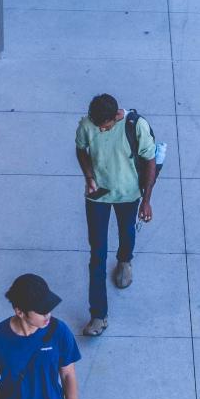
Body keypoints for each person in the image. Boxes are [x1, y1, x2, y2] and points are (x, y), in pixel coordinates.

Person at [73, 94, 158, 337]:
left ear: (117, 117)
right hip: (97, 195)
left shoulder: (135, 126)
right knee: (96, 254)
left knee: (126, 232)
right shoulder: (87, 124)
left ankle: (124, 260)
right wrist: (89, 177)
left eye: (106, 126)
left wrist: (147, 201)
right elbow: (81, 149)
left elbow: (150, 162)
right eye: (97, 125)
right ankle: (98, 315)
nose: (100, 129)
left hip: (128, 194)